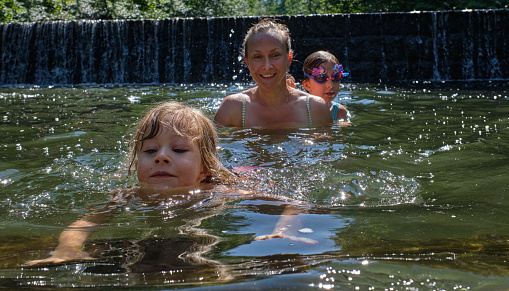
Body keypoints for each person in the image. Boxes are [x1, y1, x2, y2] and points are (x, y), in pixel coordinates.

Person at [26, 101, 313, 267]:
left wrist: (282, 232)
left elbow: (293, 202)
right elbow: (85, 223)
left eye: (178, 150)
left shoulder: (218, 191)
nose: (161, 158)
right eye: (150, 151)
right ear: (137, 162)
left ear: (204, 169)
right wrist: (68, 248)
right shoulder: (128, 196)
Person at [214, 18, 332, 128]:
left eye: (275, 55)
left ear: (289, 58)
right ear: (247, 62)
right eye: (258, 57)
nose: (267, 66)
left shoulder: (315, 108)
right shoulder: (232, 109)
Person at [301, 51, 349, 122]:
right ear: (307, 85)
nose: (331, 85)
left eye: (336, 77)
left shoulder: (339, 112)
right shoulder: (298, 111)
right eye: (321, 78)